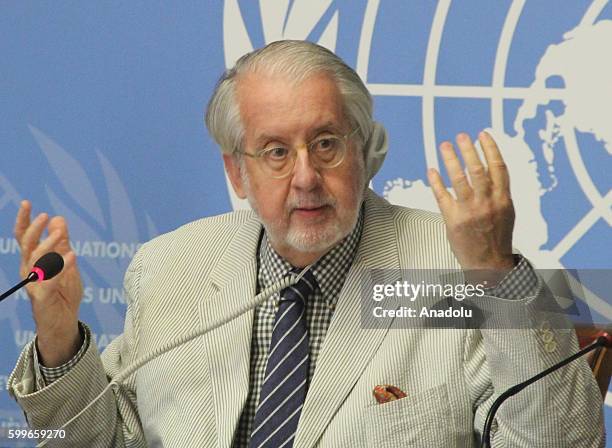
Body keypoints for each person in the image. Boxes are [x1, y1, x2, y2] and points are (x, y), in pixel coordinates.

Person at [8, 40, 604, 447]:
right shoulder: (172, 268)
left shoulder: (453, 272)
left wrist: (495, 275)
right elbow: (97, 441)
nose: (305, 177)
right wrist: (60, 343)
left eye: (326, 144)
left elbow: (557, 442)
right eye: (275, 152)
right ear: (237, 173)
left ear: (365, 153)